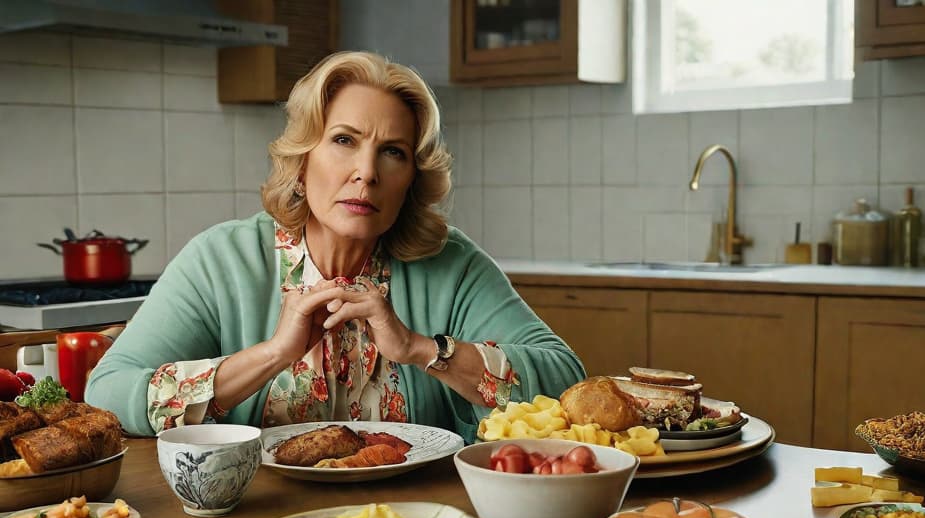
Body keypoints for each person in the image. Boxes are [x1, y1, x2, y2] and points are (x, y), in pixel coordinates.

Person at [85, 51, 584, 443]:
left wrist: (419, 349)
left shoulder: (452, 265)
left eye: (393, 152)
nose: (366, 171)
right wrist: (272, 355)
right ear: (302, 160)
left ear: (411, 178)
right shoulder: (220, 260)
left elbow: (565, 382)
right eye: (344, 140)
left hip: (417, 517)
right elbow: (107, 395)